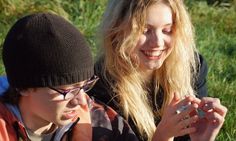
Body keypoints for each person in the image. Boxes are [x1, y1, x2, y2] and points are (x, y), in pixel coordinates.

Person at [88, 0, 228, 141]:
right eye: (144, 30)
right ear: (117, 31)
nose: (158, 43)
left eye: (167, 30)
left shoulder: (193, 68)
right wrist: (163, 136)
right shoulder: (97, 88)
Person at [0, 12, 139, 141]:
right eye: (67, 91)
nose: (80, 101)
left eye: (84, 86)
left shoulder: (103, 124)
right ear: (23, 87)